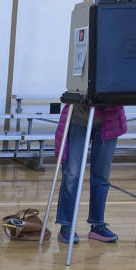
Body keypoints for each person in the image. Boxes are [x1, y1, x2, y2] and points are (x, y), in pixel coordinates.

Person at [52, 103, 127, 244]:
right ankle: (66, 225)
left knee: (102, 176)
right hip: (80, 115)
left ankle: (97, 224)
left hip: (109, 119)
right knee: (72, 174)